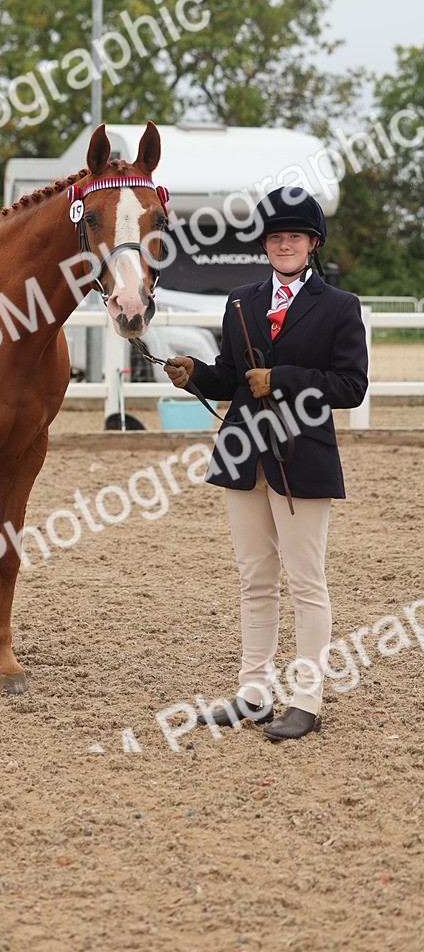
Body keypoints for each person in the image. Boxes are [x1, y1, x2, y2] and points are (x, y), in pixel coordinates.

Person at [165, 186, 368, 742]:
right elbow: (231, 375)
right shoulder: (241, 301)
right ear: (266, 244)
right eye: (276, 236)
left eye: (294, 236)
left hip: (302, 455)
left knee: (306, 582)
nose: (284, 244)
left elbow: (351, 386)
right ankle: (253, 693)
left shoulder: (340, 307)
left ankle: (307, 698)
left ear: (312, 243)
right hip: (245, 454)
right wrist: (196, 375)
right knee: (255, 580)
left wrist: (285, 381)